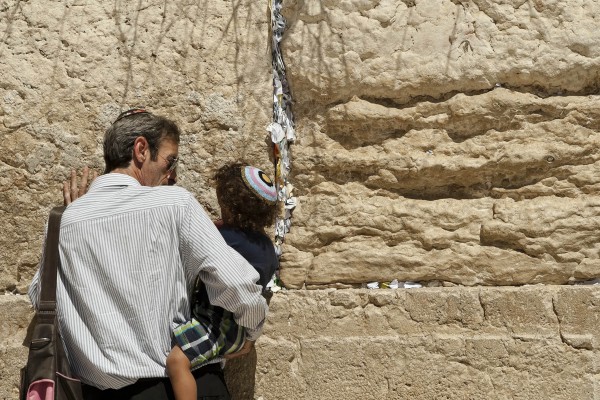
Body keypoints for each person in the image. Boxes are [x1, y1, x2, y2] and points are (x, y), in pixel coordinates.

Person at [28, 109, 268, 400]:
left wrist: (75, 215)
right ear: (141, 150)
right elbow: (237, 285)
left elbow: (40, 297)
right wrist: (248, 332)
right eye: (171, 160)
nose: (173, 174)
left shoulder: (62, 221)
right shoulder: (175, 204)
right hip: (177, 385)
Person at [166, 163, 279, 400]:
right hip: (233, 328)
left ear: (230, 206)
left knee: (177, 361)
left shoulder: (225, 239)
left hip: (217, 322)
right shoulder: (265, 247)